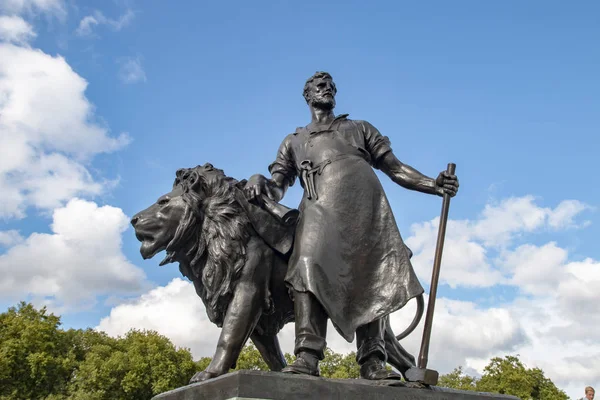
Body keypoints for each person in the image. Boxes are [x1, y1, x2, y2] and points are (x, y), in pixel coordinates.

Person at [244, 71, 459, 380]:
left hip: (364, 210)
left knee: (371, 275)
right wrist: (260, 179)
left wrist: (433, 184)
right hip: (318, 211)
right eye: (320, 86)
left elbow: (395, 168)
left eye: (331, 86)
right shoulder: (294, 141)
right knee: (306, 265)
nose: (327, 88)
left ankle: (373, 360)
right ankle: (307, 355)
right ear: (308, 96)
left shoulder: (359, 129)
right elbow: (278, 187)